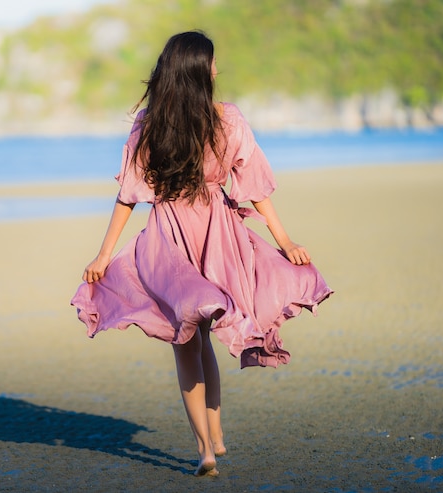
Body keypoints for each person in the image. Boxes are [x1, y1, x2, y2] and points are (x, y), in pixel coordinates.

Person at [70, 31, 333, 477]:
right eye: (211, 63)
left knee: (190, 339)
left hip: (186, 236)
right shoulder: (217, 120)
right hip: (197, 236)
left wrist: (286, 242)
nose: (216, 69)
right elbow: (251, 188)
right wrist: (102, 255)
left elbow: (130, 196)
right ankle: (209, 442)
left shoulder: (163, 123)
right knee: (193, 334)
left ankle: (209, 443)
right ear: (196, 71)